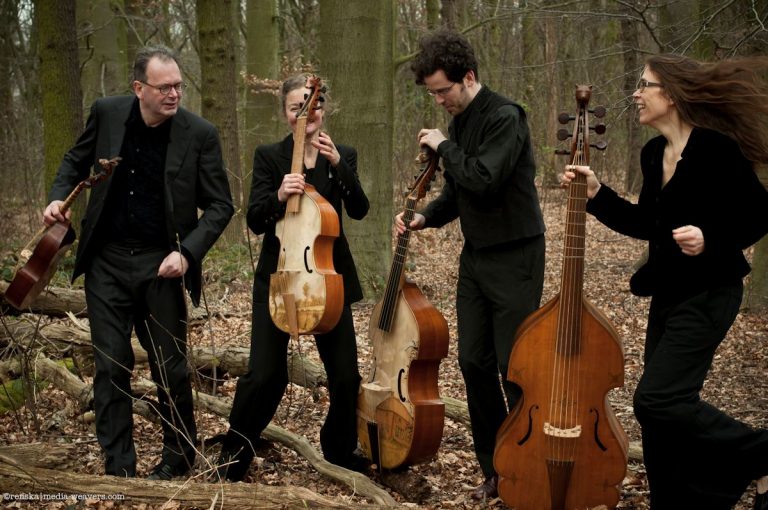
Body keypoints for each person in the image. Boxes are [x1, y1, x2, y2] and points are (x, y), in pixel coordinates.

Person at [562, 54, 768, 509]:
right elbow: (647, 223)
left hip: (711, 291)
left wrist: (711, 238)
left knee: (658, 400)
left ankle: (760, 455)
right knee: (659, 419)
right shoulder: (653, 153)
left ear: (670, 95)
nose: (636, 93)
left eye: (644, 84)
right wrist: (598, 193)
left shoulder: (716, 149)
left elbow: (759, 213)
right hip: (670, 294)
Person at [43, 45, 234, 480]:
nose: (174, 94)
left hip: (160, 264)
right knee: (111, 365)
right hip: (106, 262)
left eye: (179, 86)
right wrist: (58, 196)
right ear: (138, 88)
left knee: (171, 367)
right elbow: (75, 159)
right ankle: (120, 469)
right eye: (164, 87)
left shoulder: (199, 133)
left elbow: (221, 205)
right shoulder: (108, 113)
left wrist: (186, 254)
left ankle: (178, 455)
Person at [396, 30, 545, 500]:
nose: (439, 100)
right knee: (472, 362)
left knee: (513, 367)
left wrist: (443, 147)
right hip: (477, 258)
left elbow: (482, 177)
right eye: (432, 93)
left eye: (444, 90)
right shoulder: (458, 124)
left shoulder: (506, 117)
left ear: (469, 77)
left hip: (517, 255)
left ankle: (530, 464)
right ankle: (496, 469)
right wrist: (424, 217)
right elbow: (458, 194)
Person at [215, 74, 370, 481]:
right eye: (296, 107)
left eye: (313, 104)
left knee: (346, 375)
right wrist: (278, 196)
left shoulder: (343, 154)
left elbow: (359, 209)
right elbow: (253, 221)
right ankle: (233, 458)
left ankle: (338, 451)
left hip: (328, 279)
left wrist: (339, 165)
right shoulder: (269, 156)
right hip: (281, 276)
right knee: (265, 374)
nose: (307, 112)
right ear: (285, 113)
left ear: (324, 106)